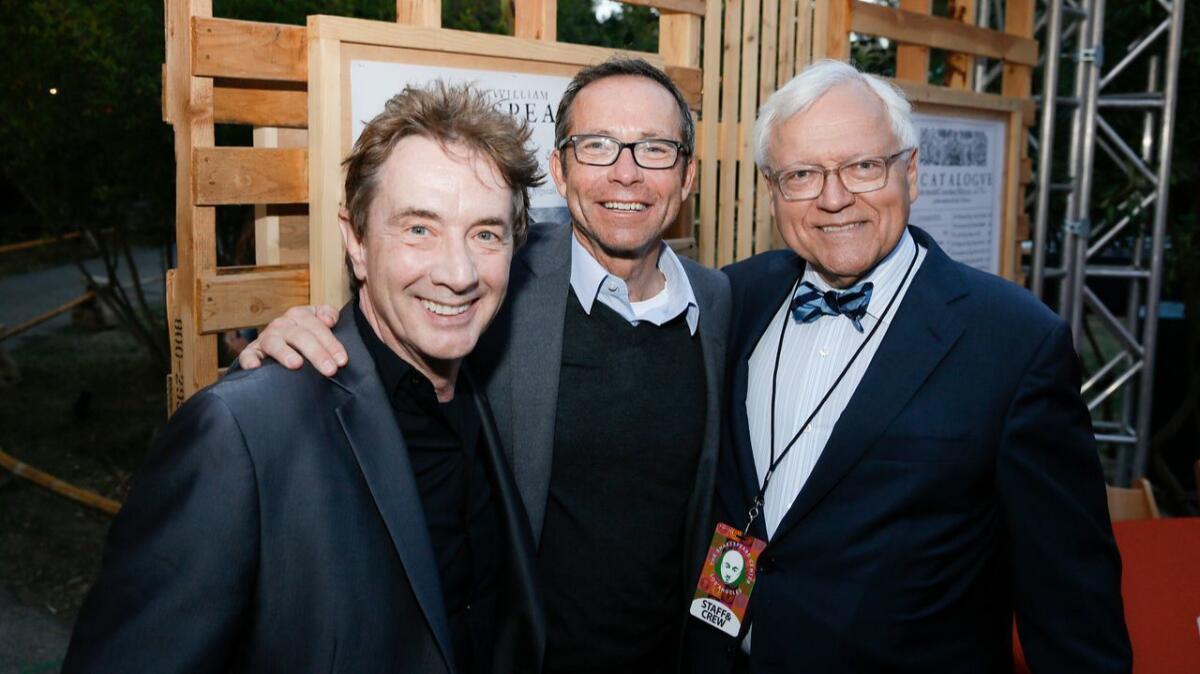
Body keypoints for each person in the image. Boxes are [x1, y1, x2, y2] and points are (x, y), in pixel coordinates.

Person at [239, 57, 731, 674]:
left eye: (655, 148)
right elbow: (394, 319)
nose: (625, 173)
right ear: (560, 169)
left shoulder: (717, 302)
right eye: (597, 145)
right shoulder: (496, 283)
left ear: (687, 176)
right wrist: (300, 338)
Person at [63, 82, 544, 674]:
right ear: (356, 241)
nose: (459, 272)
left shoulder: (497, 394)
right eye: (419, 228)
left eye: (486, 233)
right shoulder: (240, 434)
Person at [687, 60, 1130, 673]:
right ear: (772, 191)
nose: (834, 197)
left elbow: (1072, 602)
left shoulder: (1014, 342)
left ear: (912, 172)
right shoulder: (733, 298)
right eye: (802, 174)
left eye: (863, 166)